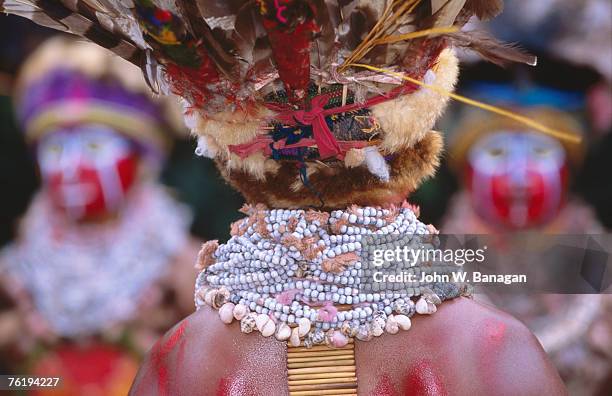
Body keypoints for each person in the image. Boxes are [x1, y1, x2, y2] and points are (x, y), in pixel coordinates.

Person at [4, 1, 567, 394]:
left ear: (233, 158)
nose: (76, 167)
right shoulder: (490, 345)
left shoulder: (182, 353)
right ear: (415, 141)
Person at [0, 36, 199, 395]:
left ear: (144, 161)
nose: (72, 167)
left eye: (93, 146)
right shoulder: (17, 273)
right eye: (57, 148)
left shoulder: (184, 270)